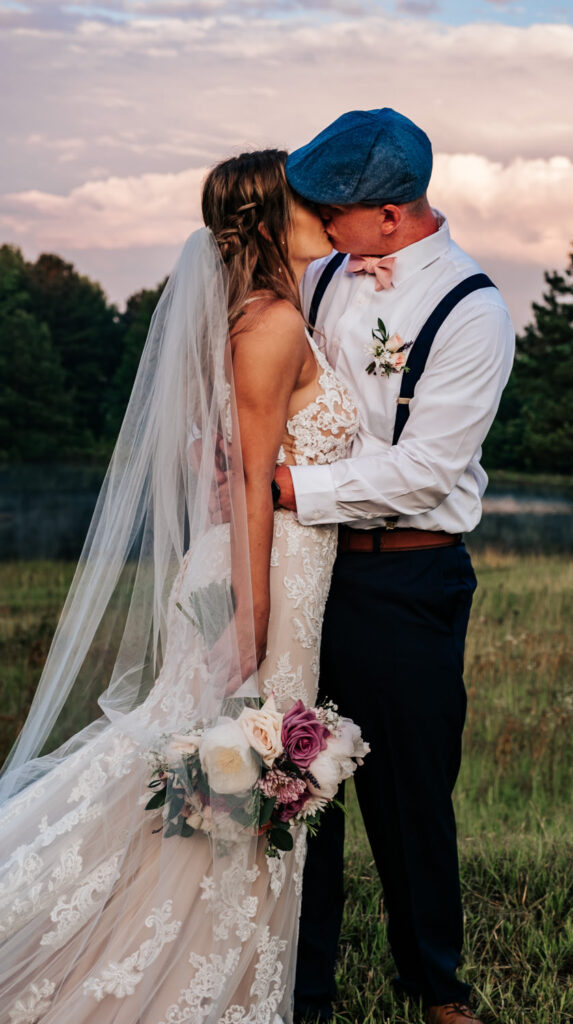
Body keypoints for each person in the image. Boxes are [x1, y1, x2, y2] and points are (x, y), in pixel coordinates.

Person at [0, 150, 358, 1024]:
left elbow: (223, 458)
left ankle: (214, 973)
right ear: (272, 218)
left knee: (225, 774)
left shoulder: (275, 314)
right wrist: (254, 616)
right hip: (257, 577)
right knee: (224, 768)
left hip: (272, 572)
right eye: (304, 196)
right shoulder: (269, 324)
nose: (323, 206)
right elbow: (244, 488)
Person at [273, 108, 515, 1024]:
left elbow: (425, 473)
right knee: (293, 779)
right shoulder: (323, 272)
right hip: (309, 570)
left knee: (411, 793)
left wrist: (290, 489)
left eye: (334, 208)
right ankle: (303, 991)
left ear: (390, 215)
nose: (320, 222)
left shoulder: (471, 308)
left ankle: (436, 990)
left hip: (410, 581)